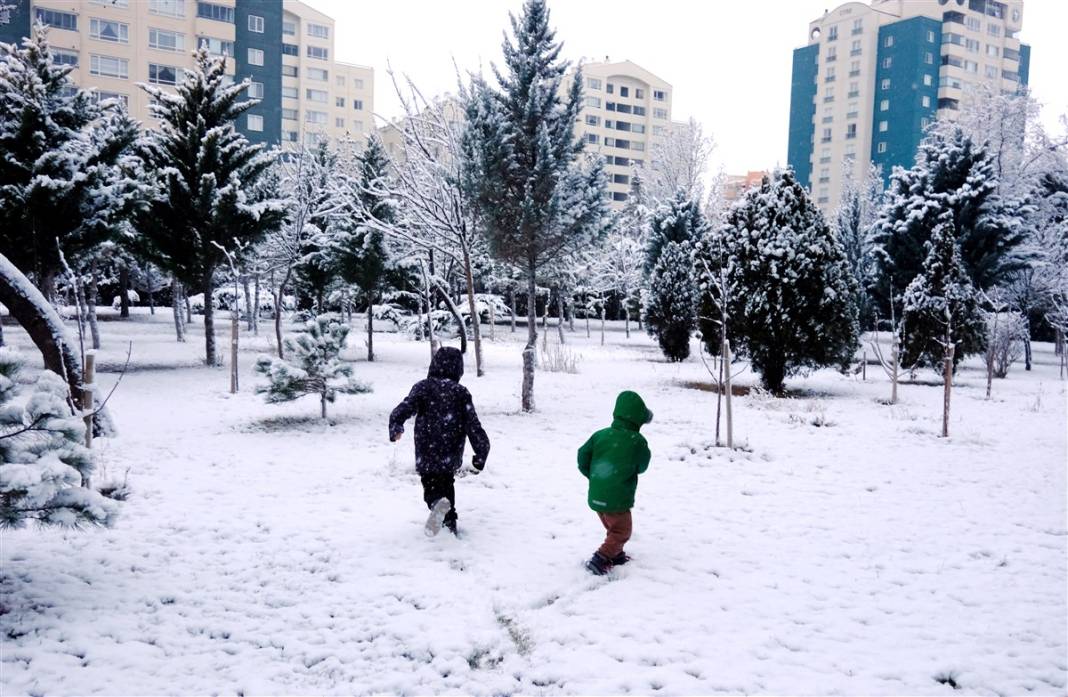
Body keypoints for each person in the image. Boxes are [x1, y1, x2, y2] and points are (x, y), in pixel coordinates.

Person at [389, 347, 490, 536]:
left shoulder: (422, 388)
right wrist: (481, 451)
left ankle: (439, 511)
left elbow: (404, 408)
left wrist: (396, 424)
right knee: (446, 484)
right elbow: (474, 426)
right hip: (450, 453)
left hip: (427, 451)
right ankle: (448, 526)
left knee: (431, 488)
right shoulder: (461, 393)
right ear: (458, 369)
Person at [577, 390, 652, 575]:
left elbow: (582, 456)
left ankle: (615, 554)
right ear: (639, 419)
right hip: (617, 498)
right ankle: (600, 558)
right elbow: (642, 466)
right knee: (622, 531)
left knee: (613, 527)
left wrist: (595, 476)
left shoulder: (600, 435)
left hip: (597, 495)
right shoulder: (637, 441)